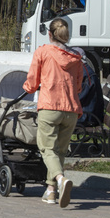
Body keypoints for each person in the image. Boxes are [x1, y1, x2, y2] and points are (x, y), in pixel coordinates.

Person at [22, 18, 84, 208]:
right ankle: (50, 192)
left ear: (50, 34)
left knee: (47, 149)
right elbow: (79, 86)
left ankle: (60, 179)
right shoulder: (76, 58)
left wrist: (27, 87)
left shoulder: (43, 52)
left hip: (49, 106)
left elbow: (32, 83)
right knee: (60, 151)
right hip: (71, 109)